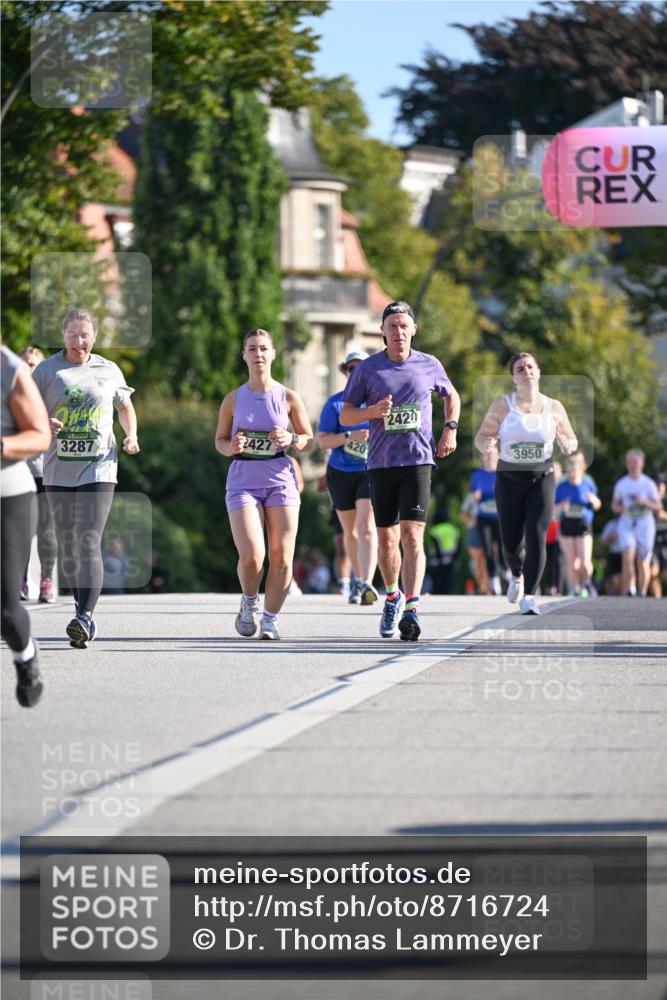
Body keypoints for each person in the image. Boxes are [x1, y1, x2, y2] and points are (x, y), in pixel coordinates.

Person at [340, 301, 460, 641]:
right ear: (382, 331)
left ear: (413, 330)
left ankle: (411, 609)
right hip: (381, 463)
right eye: (391, 326)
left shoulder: (429, 365)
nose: (398, 332)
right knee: (388, 538)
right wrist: (373, 411)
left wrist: (450, 427)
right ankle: (391, 596)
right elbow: (346, 416)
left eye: (404, 325)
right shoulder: (368, 370)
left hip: (419, 461)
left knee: (412, 535)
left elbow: (452, 397)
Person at [32, 308, 140, 647]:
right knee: (69, 545)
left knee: (88, 538)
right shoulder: (47, 371)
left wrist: (132, 435)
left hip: (99, 466)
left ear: (94, 336)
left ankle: (85, 617)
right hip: (58, 467)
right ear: (63, 335)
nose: (80, 341)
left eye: (85, 335)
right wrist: (42, 423)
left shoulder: (108, 370)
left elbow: (124, 406)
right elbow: (25, 409)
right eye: (73, 334)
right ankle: (81, 610)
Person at [215, 328, 313, 640]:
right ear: (244, 355)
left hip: (280, 479)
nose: (258, 354)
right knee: (253, 555)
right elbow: (219, 441)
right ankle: (249, 602)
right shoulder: (233, 399)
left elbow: (309, 440)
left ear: (273, 354)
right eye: (252, 349)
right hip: (243, 479)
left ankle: (270, 619)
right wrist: (232, 446)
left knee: (283, 557)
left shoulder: (287, 397)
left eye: (263, 349)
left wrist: (292, 438)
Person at [475, 351, 578, 615]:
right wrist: (486, 443)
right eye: (520, 368)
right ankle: (517, 574)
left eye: (531, 366)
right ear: (513, 377)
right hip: (509, 479)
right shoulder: (502, 405)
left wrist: (567, 443)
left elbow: (571, 439)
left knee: (537, 535)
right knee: (511, 541)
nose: (527, 371)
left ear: (539, 372)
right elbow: (482, 436)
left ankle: (530, 596)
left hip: (541, 478)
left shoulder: (553, 407)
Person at [1, 343, 51, 706]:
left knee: (5, 605)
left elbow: (40, 434)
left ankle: (25, 656)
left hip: (8, 495)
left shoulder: (9, 368)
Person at [318, 350, 378, 606]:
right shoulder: (335, 404)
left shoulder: (377, 401)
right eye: (351, 368)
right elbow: (322, 440)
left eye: (360, 368)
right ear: (345, 372)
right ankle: (357, 579)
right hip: (340, 473)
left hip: (370, 471)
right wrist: (349, 437)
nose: (355, 372)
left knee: (366, 526)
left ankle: (366, 582)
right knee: (349, 533)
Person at [18, 347, 58, 603]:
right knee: (21, 529)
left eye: (33, 364)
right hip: (18, 472)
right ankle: (21, 579)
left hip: (48, 472)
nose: (29, 368)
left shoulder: (54, 392)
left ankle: (46, 580)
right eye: (24, 364)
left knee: (47, 531)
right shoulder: (11, 394)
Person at [611, 449, 662, 596]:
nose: (633, 465)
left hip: (645, 524)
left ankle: (642, 591)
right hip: (627, 523)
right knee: (627, 556)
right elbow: (614, 506)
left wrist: (645, 501)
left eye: (636, 462)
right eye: (631, 462)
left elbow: (658, 506)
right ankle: (631, 588)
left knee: (642, 561)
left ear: (642, 464)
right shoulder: (622, 484)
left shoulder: (648, 484)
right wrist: (622, 508)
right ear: (627, 464)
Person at [555, 451, 601, 597]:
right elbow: (553, 510)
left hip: (583, 525)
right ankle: (574, 590)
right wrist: (562, 506)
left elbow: (598, 504)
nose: (572, 473)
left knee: (585, 563)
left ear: (581, 469)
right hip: (567, 525)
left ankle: (586, 582)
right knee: (571, 562)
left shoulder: (588, 484)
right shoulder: (561, 486)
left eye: (575, 470)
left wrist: (594, 501)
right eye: (569, 470)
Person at [469, 448, 504, 595]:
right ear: (483, 457)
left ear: (498, 457)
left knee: (503, 548)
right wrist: (475, 497)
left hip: (501, 518)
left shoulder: (503, 474)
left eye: (492, 455)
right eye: (487, 454)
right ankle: (494, 581)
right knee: (488, 550)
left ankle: (507, 571)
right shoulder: (477, 475)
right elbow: (472, 496)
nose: (489, 457)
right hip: (483, 517)